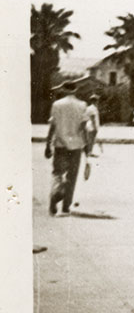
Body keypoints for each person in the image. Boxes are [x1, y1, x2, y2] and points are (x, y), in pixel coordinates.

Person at [45, 81, 89, 215]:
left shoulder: (57, 105)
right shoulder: (82, 105)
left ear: (64, 90)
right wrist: (86, 145)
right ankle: (66, 206)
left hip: (60, 144)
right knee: (72, 176)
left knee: (58, 173)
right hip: (76, 145)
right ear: (75, 90)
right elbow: (83, 128)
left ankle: (55, 194)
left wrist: (48, 144)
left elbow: (53, 126)